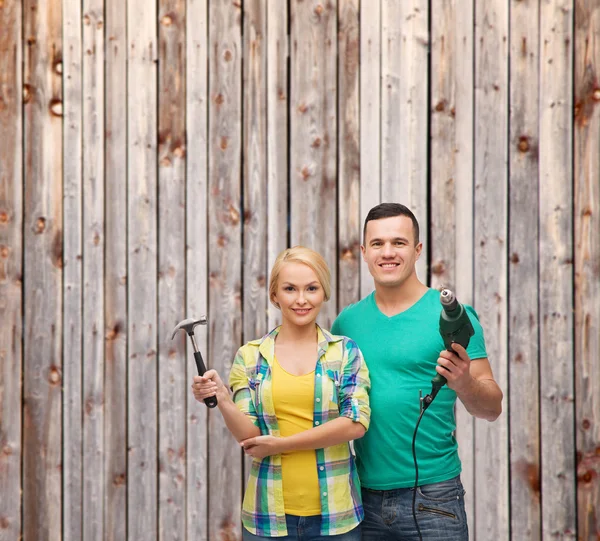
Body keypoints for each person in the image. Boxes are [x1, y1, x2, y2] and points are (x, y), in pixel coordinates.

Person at [331, 203, 503, 541]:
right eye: (378, 244)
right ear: (364, 253)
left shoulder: (453, 318)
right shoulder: (345, 323)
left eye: (399, 242)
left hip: (434, 498)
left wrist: (465, 382)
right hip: (360, 498)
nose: (388, 252)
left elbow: (492, 407)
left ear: (417, 250)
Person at [192, 246, 371, 540]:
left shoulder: (345, 351)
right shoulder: (250, 356)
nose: (301, 299)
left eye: (311, 288)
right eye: (290, 289)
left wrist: (281, 444)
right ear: (275, 295)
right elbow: (248, 434)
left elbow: (355, 422)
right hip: (267, 520)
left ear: (323, 293)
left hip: (337, 520)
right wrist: (222, 398)